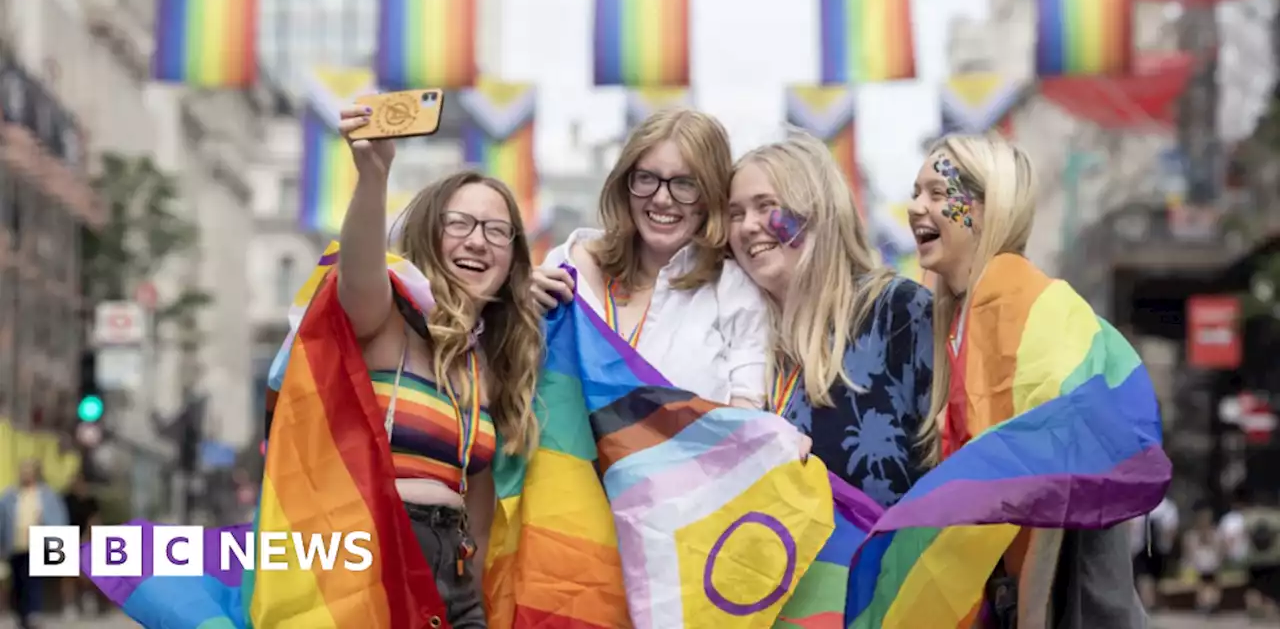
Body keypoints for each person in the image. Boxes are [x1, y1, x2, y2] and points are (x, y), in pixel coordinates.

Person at [909, 134, 1151, 627]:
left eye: (937, 193)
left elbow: (1054, 471)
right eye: (916, 192)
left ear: (985, 207)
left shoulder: (1016, 297)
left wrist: (1031, 613)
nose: (915, 208)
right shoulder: (966, 312)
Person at [335, 105, 546, 628]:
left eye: (499, 232)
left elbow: (474, 508)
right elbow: (358, 269)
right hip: (373, 566)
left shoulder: (489, 368)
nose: (478, 241)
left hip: (453, 581)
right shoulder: (388, 322)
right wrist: (374, 176)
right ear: (430, 234)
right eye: (461, 224)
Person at [725, 133, 934, 507]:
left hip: (903, 560)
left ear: (817, 211)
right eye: (735, 214)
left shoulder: (898, 311)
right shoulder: (735, 338)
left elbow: (956, 455)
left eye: (764, 206)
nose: (746, 226)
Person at [530, 108, 771, 407]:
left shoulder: (734, 291)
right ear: (624, 184)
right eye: (646, 178)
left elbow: (747, 423)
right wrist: (514, 313)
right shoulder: (569, 265)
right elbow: (514, 382)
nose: (661, 198)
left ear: (711, 195)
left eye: (685, 183)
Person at [0, 460, 69, 629]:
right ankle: (21, 614)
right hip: (15, 544)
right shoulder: (10, 495)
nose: (25, 474)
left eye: (29, 471)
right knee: (18, 581)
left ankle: (33, 613)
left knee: (33, 580)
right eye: (23, 471)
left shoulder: (46, 495)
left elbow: (59, 519)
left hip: (38, 542)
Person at [61, 474, 101, 618]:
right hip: (66, 538)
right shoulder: (65, 500)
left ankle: (88, 600)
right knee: (67, 575)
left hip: (86, 538)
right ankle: (69, 605)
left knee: (86, 574)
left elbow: (94, 521)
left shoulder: (90, 501)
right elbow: (60, 519)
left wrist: (86, 538)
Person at [1128, 495, 1178, 611]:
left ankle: (1150, 602)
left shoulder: (1167, 506)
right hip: (1143, 546)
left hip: (1157, 547)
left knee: (1152, 576)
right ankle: (1148, 603)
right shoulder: (1167, 507)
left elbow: (1171, 530)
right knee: (1145, 575)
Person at [1185, 505, 1223, 614]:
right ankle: (1205, 603)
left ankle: (1210, 603)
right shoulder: (1191, 536)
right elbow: (1189, 555)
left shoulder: (1216, 535)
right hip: (1197, 568)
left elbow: (1220, 553)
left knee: (1211, 584)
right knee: (1202, 584)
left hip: (1212, 567)